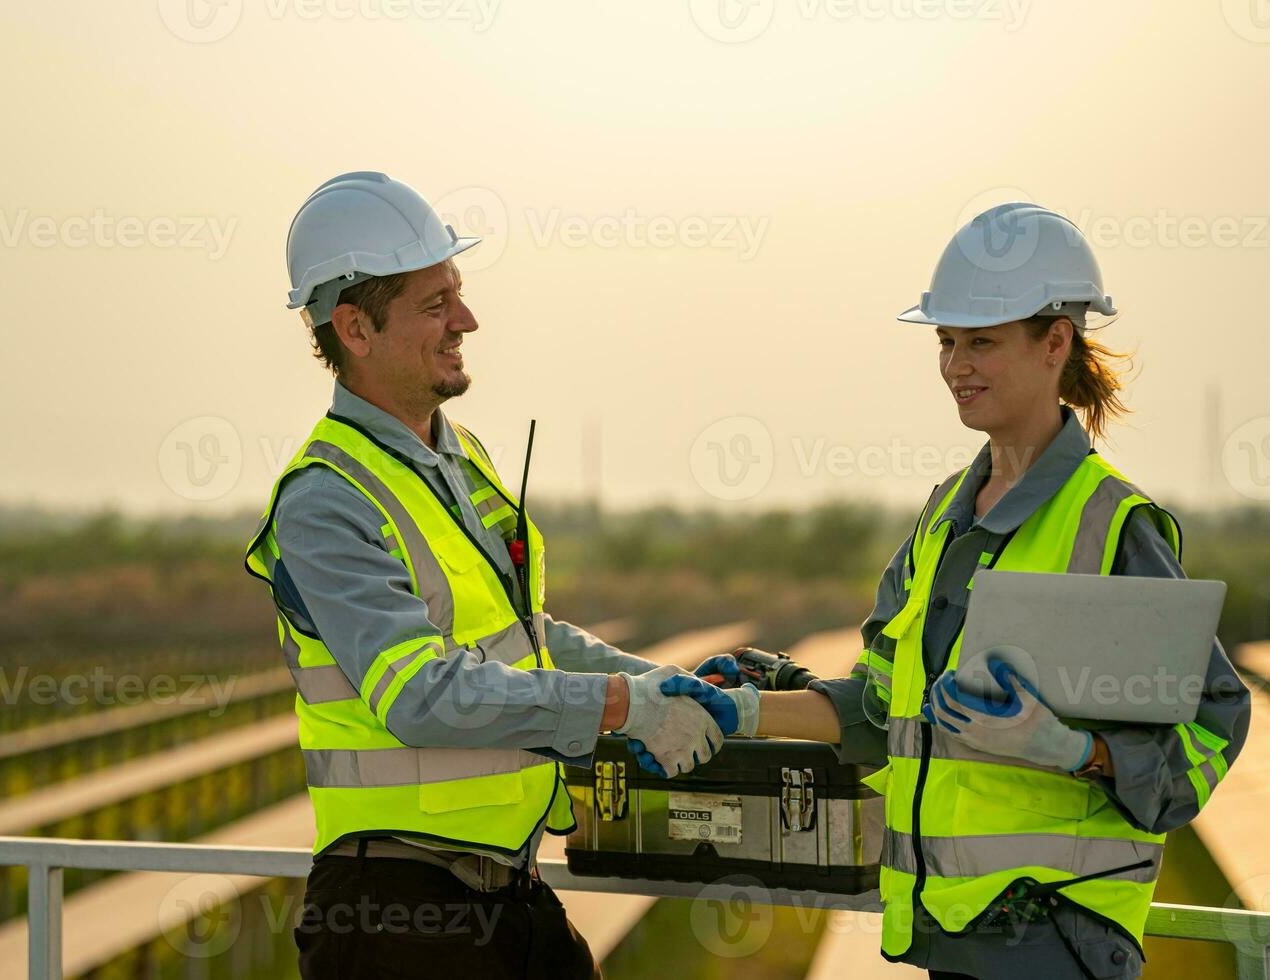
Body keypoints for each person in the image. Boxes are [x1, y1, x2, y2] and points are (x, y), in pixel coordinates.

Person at [649, 203, 1252, 979]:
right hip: (950, 930)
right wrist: (749, 709)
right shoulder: (941, 519)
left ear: (1055, 343)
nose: (956, 365)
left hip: (1058, 934)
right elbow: (879, 708)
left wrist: (1080, 752)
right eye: (947, 341)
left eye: (983, 342)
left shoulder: (1114, 526)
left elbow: (1212, 725)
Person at [244, 171, 722, 980]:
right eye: (435, 305)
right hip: (397, 916)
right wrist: (619, 707)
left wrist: (659, 684)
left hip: (505, 893)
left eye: (457, 295)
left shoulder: (459, 458)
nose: (467, 320)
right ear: (355, 328)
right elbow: (420, 694)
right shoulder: (327, 499)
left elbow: (526, 641)